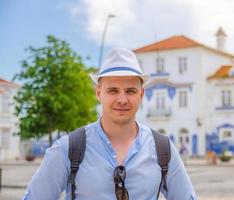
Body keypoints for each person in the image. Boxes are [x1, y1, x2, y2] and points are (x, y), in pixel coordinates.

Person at [22, 48, 196, 200]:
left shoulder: (163, 149)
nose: (122, 99)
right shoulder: (68, 148)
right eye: (113, 90)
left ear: (141, 95)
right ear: (99, 93)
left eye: (130, 91)